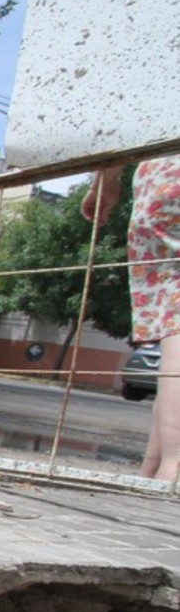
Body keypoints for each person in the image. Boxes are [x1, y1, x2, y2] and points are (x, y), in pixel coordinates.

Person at [83, 155, 180, 481]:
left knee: (174, 322)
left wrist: (105, 180)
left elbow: (123, 116)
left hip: (160, 177)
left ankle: (152, 471)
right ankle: (174, 471)